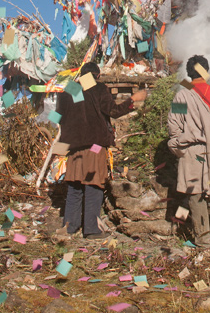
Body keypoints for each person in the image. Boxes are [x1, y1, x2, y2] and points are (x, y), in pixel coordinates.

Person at [56, 62, 146, 239]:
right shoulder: (97, 89)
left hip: (73, 149)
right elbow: (113, 111)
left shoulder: (68, 91)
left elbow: (57, 117)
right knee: (93, 185)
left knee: (75, 187)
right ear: (97, 76)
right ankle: (91, 228)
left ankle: (69, 227)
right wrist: (133, 100)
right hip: (94, 146)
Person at [167, 55, 210, 249]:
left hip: (192, 153)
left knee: (196, 196)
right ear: (206, 72)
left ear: (188, 74)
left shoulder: (182, 95)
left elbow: (174, 126)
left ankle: (203, 244)